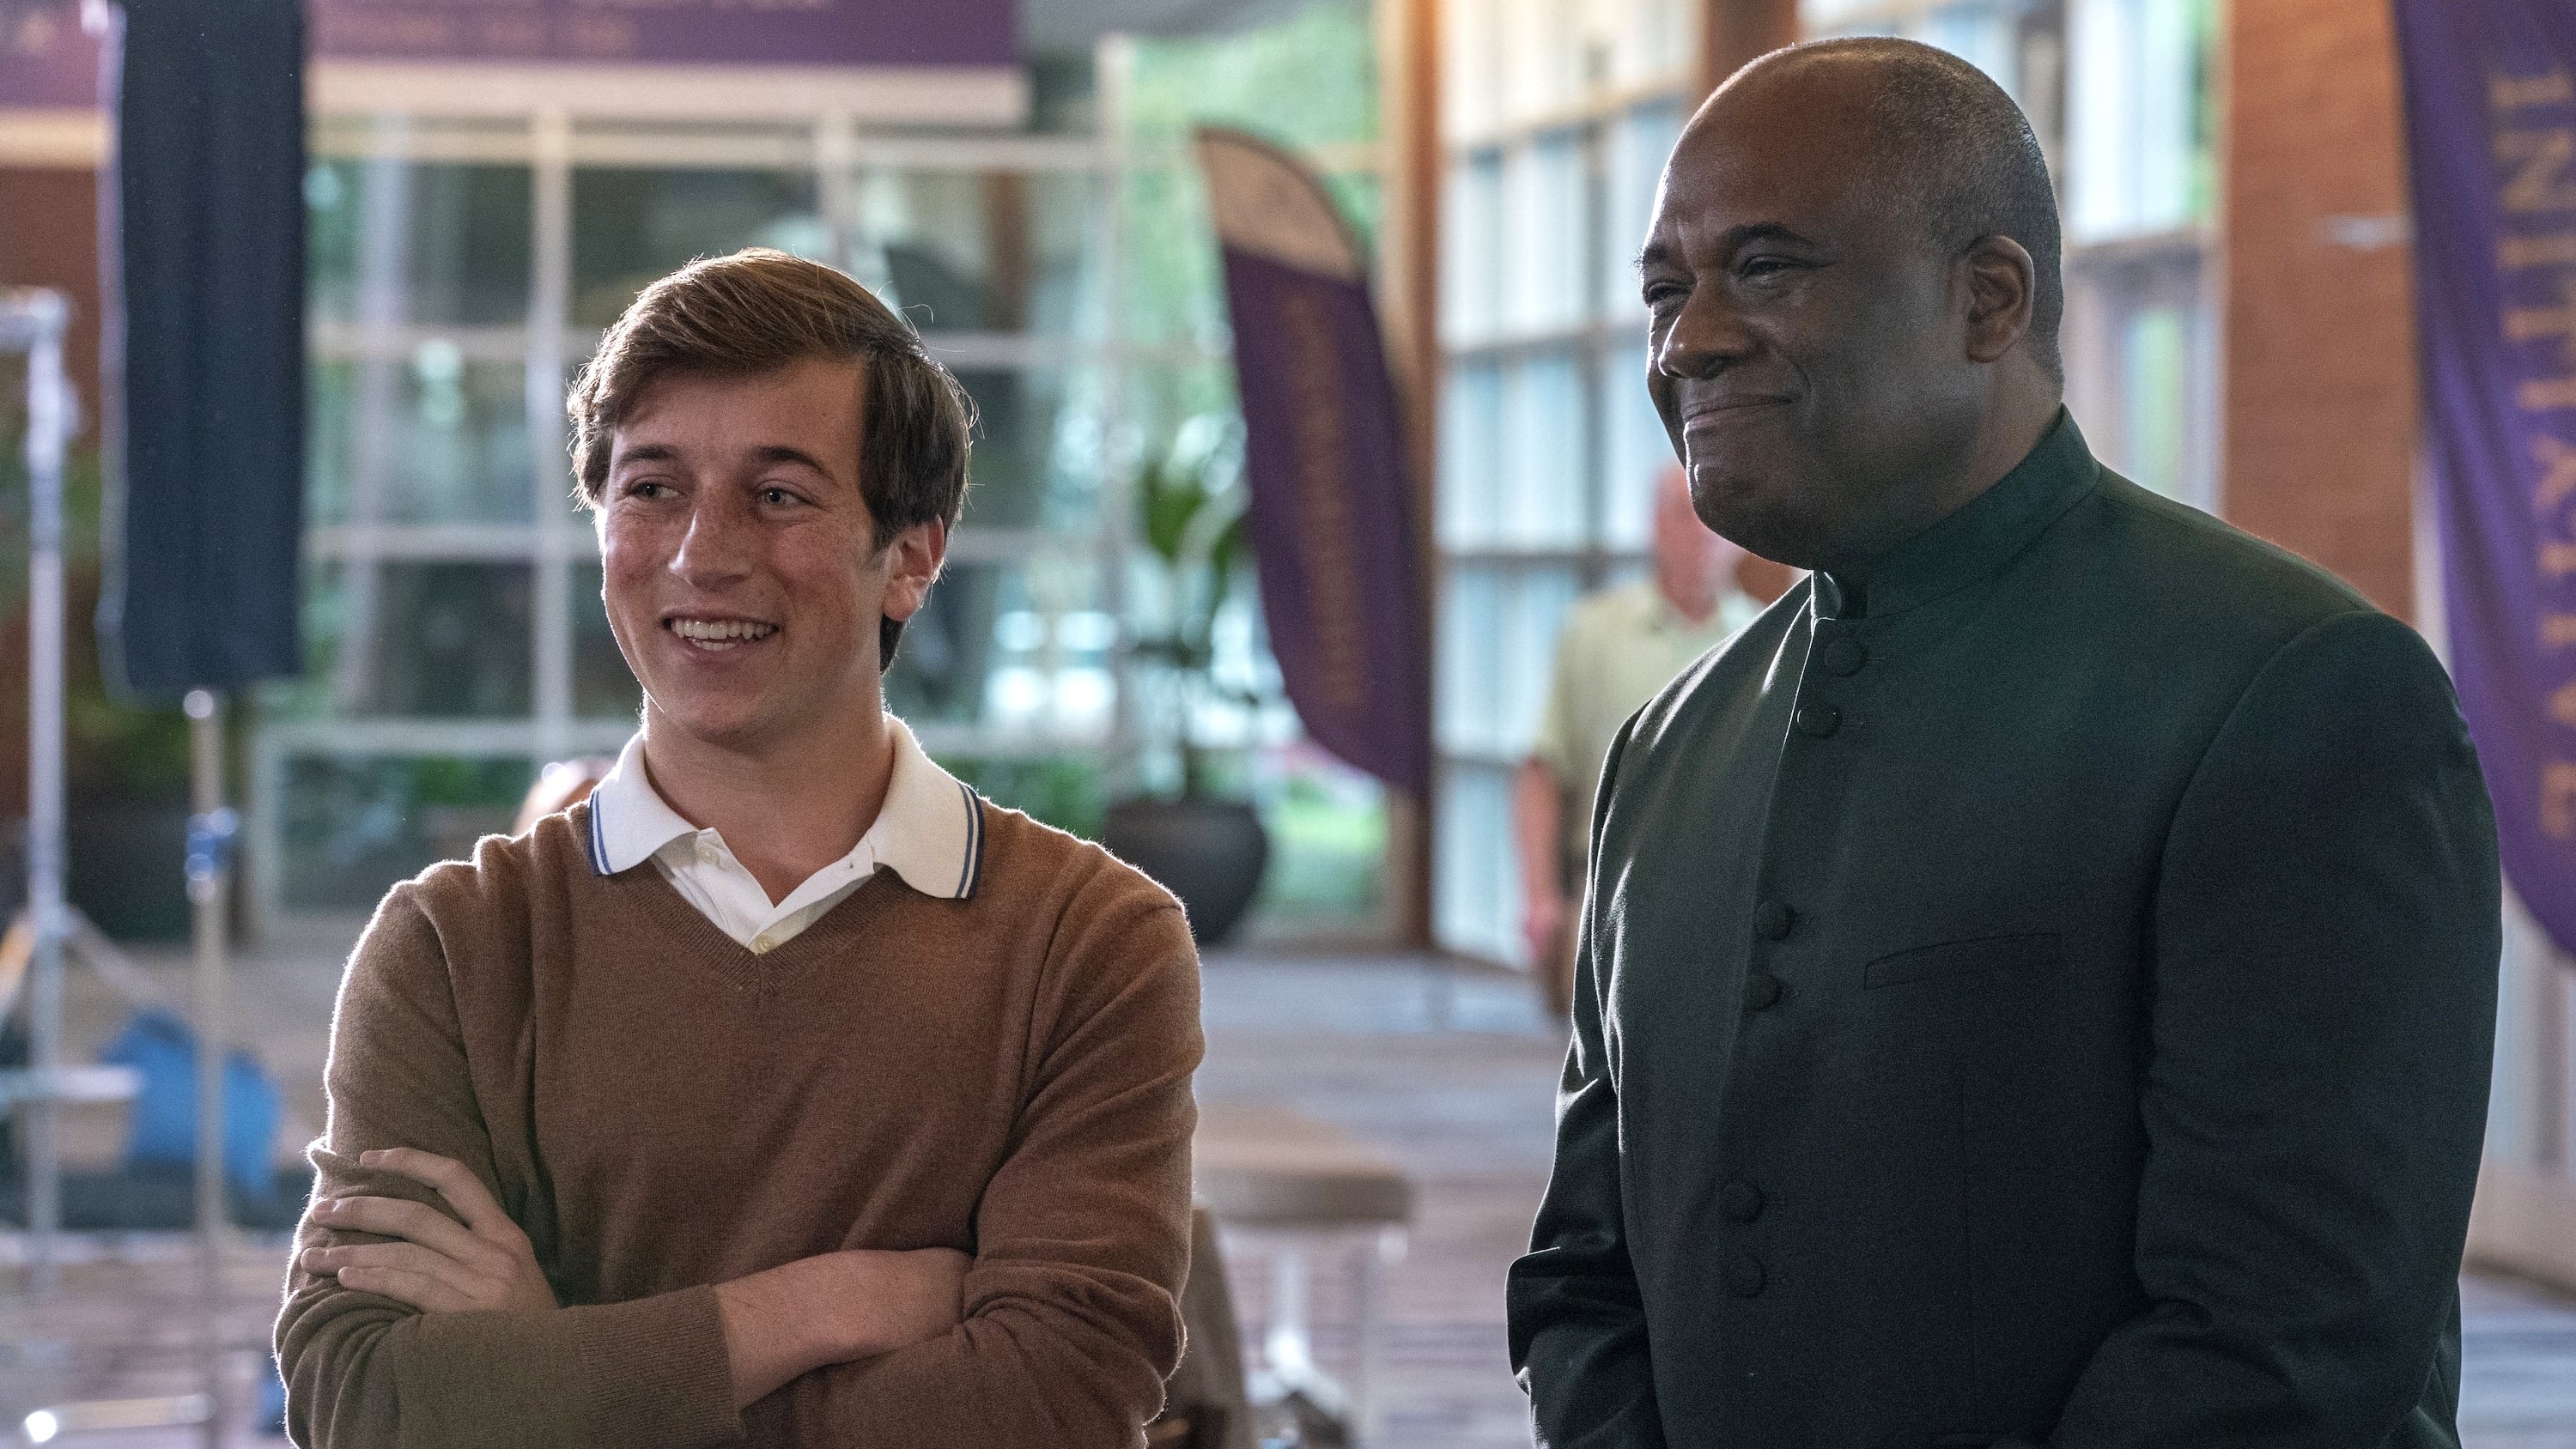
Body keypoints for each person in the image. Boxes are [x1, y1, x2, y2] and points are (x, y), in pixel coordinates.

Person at [1506, 38, 2499, 1449]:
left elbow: (2286, 1338)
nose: (1689, 339)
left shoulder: (2295, 691)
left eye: (1767, 268)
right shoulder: (1668, 748)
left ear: (1990, 298)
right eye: (1668, 288)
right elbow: (1582, 1276)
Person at [276, 249, 1205, 1447]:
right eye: (653, 487)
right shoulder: (455, 949)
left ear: (912, 556)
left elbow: (1054, 1404)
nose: (701, 554)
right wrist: (819, 1307)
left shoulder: (1088, 945)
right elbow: (361, 1399)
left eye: (778, 495)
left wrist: (562, 1362)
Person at [1515, 464, 1792, 1016]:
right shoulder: (1593, 631)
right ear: (1656, 525)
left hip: (1721, 902)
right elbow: (1545, 770)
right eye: (1685, 515)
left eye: (1715, 519)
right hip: (1604, 890)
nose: (1702, 535)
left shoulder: (1769, 643)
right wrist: (1540, 894)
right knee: (1597, 1060)